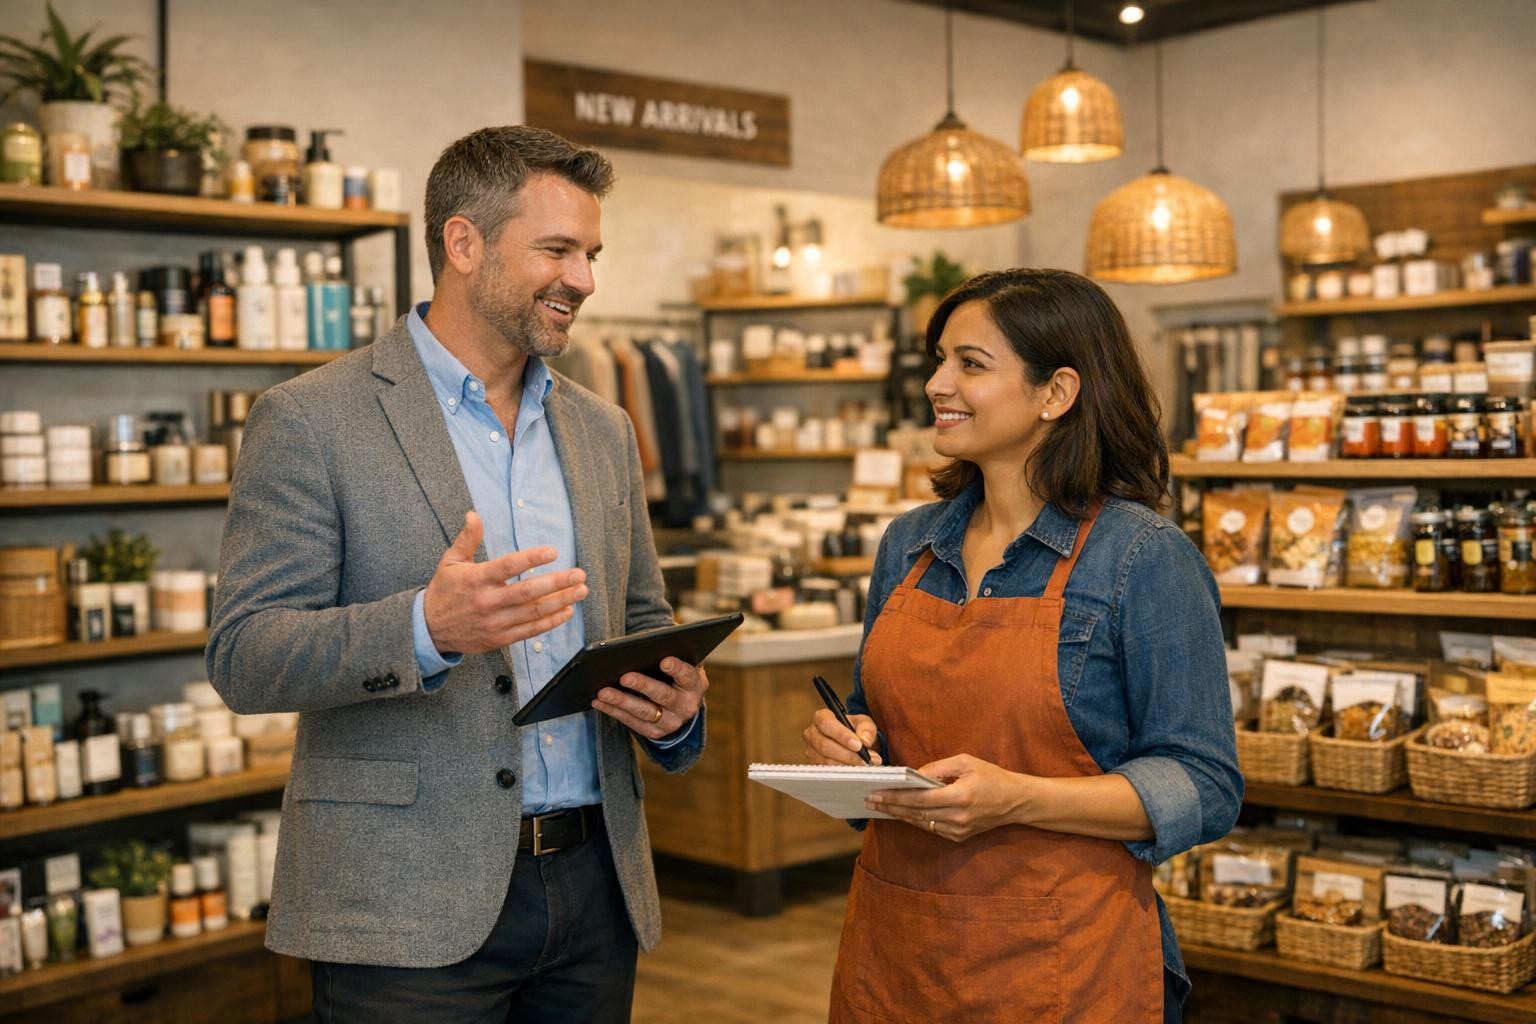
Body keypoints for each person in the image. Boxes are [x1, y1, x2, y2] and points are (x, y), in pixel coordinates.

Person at [208, 126, 708, 1023]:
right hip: (403, 905)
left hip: (596, 892)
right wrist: (424, 630)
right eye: (557, 249)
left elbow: (643, 621)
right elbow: (246, 654)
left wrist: (672, 710)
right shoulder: (311, 418)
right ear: (463, 243)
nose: (585, 280)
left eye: (591, 254)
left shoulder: (604, 430)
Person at [803, 268, 1241, 1023]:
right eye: (940, 359)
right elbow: (872, 716)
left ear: (1056, 393)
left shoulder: (1142, 556)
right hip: (898, 948)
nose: (938, 382)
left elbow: (1204, 783)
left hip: (1065, 964)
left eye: (971, 364)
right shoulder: (908, 544)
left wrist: (1020, 800)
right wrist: (852, 748)